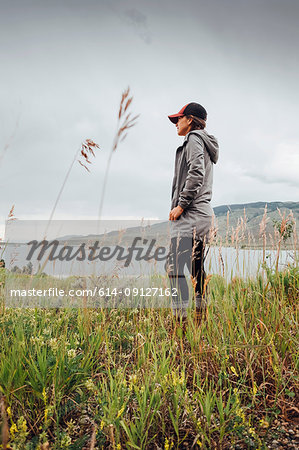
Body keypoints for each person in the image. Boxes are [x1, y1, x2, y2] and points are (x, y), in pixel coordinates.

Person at [166, 102, 219, 320]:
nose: (175, 123)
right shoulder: (203, 142)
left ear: (190, 119)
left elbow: (196, 172)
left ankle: (181, 320)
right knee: (196, 269)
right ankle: (199, 316)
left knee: (174, 268)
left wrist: (181, 204)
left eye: (178, 119)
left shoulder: (194, 139)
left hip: (192, 215)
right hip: (200, 215)